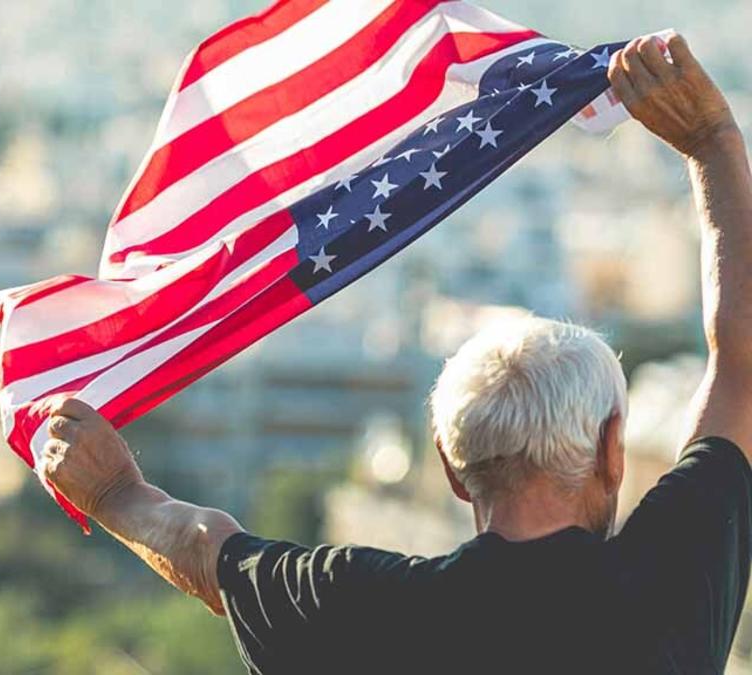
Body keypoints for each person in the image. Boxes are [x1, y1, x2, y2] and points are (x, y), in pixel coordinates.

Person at [38, 33, 751, 674]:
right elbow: (741, 365)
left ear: (449, 464)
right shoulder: (672, 587)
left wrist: (115, 493)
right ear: (612, 447)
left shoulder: (359, 606)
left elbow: (204, 550)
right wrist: (714, 143)